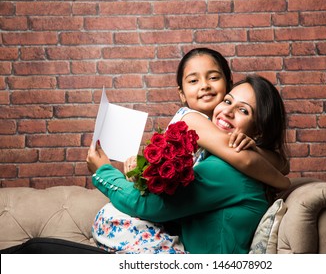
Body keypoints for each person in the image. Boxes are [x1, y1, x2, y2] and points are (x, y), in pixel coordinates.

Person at [87, 74, 289, 254]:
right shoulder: (236, 162)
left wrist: (103, 171)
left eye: (243, 110)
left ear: (258, 132)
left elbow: (150, 206)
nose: (227, 111)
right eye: (227, 101)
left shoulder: (227, 169)